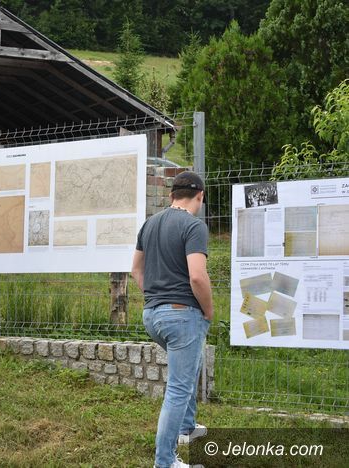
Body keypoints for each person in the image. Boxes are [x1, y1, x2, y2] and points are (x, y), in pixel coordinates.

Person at [130, 171, 213, 468]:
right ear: (200, 196)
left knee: (188, 369)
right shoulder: (194, 226)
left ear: (171, 195)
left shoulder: (149, 224)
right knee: (178, 388)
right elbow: (197, 277)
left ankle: (186, 427)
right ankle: (164, 462)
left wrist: (156, 297)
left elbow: (136, 270)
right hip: (182, 315)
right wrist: (208, 310)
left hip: (152, 315)